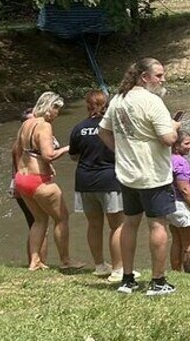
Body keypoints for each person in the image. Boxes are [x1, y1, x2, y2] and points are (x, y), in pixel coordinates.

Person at [98, 57, 180, 296]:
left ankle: (127, 278)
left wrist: (121, 151)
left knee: (130, 224)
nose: (163, 80)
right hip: (152, 174)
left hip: (127, 174)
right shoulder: (152, 101)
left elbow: (103, 132)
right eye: (159, 75)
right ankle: (158, 281)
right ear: (144, 77)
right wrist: (174, 127)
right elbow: (168, 139)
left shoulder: (119, 99)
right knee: (158, 224)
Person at [12, 92, 83, 271]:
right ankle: (66, 261)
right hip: (39, 182)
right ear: (48, 107)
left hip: (22, 179)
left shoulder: (26, 123)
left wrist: (20, 172)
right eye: (56, 108)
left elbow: (18, 151)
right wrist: (69, 148)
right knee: (62, 218)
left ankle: (34, 261)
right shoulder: (44, 126)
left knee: (39, 220)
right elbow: (48, 155)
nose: (57, 113)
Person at [69, 89, 130, 282]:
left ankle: (100, 265)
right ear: (108, 105)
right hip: (109, 180)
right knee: (117, 226)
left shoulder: (79, 128)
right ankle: (119, 269)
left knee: (94, 225)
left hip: (84, 181)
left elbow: (73, 156)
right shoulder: (112, 127)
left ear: (87, 106)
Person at [10, 107, 48, 266]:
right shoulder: (22, 145)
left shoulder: (22, 143)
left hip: (21, 185)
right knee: (39, 224)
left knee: (35, 224)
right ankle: (38, 261)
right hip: (25, 186)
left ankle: (35, 260)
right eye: (30, 120)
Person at [168, 130, 190, 273]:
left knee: (176, 241)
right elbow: (185, 189)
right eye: (186, 143)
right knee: (188, 245)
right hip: (183, 205)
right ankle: (189, 275)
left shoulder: (169, 159)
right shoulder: (181, 162)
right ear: (176, 145)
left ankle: (176, 272)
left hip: (171, 204)